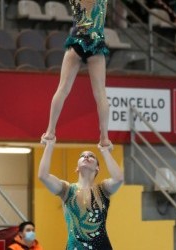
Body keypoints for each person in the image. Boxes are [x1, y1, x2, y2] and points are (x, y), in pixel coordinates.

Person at [40, 0, 112, 149]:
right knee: (100, 94)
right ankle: (104, 137)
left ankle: (50, 131)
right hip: (96, 43)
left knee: (63, 89)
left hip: (77, 40)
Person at [38, 139, 124, 249]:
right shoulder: (67, 190)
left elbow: (119, 179)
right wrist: (49, 145)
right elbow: (43, 176)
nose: (86, 157)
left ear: (97, 168)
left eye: (91, 156)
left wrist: (105, 151)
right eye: (82, 156)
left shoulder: (103, 189)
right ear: (77, 168)